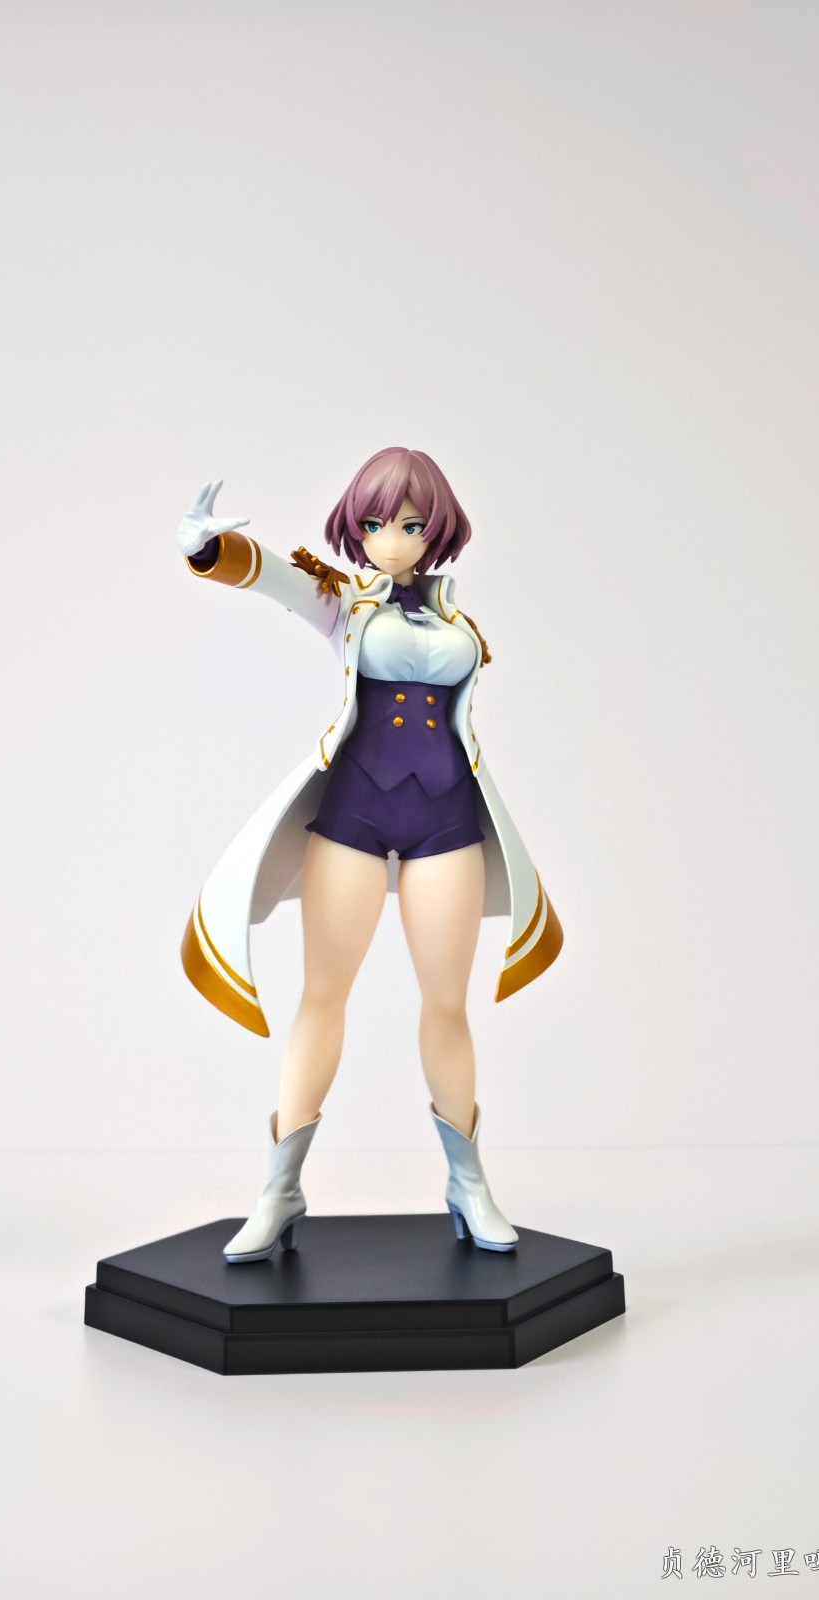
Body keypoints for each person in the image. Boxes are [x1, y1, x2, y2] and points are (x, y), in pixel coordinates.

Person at [175, 447, 562, 1262]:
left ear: (437, 531)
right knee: (322, 996)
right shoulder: (344, 602)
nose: (391, 539)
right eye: (377, 522)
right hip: (354, 810)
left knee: (447, 1004)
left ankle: (469, 1185)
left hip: (445, 817)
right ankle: (280, 1192)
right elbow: (276, 578)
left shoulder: (457, 623)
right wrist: (209, 549)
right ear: (355, 527)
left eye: (411, 525)